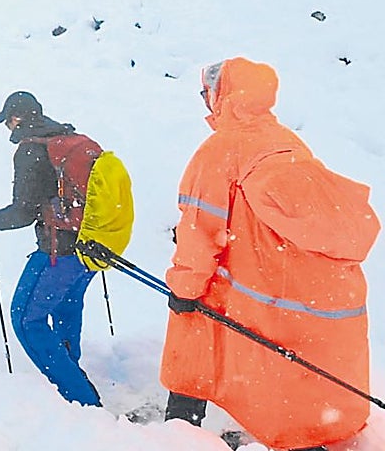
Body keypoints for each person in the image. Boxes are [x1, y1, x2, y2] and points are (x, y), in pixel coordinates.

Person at [160, 58, 378, 451]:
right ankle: (312, 434)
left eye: (207, 94)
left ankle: (180, 431)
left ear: (220, 96)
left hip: (249, 282)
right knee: (290, 365)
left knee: (193, 339)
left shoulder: (219, 151)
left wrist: (184, 288)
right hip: (297, 285)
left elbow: (200, 232)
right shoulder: (286, 140)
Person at [0, 90, 102, 407]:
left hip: (58, 252)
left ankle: (81, 400)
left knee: (25, 319)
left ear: (16, 118)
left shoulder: (31, 150)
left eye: (7, 121)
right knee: (65, 310)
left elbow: (23, 212)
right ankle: (72, 382)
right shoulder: (68, 139)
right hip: (89, 248)